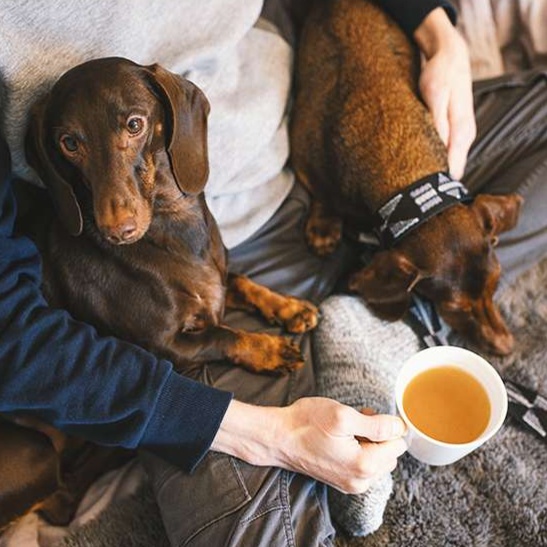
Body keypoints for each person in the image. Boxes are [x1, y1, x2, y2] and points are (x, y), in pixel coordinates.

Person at [1, 0, 545, 545]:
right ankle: (391, 298)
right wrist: (270, 436)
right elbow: (13, 336)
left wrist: (438, 32)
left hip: (330, 165)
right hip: (188, 295)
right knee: (257, 533)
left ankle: (382, 303)